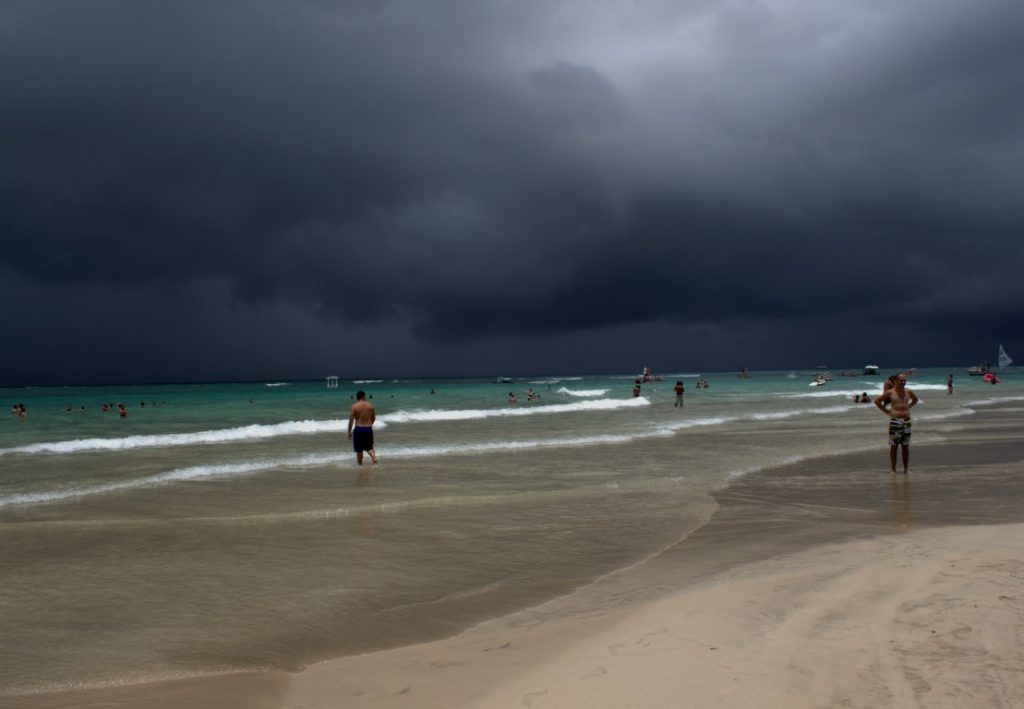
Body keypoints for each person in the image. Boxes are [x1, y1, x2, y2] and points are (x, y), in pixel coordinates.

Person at [874, 373, 918, 474]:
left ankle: (906, 469)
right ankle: (893, 469)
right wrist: (887, 411)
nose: (903, 382)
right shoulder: (890, 392)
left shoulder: (908, 392)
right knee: (894, 446)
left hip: (906, 421)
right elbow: (877, 401)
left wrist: (908, 407)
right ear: (896, 381)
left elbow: (915, 400)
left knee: (905, 446)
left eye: (904, 380)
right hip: (895, 421)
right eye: (901, 380)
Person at [347, 390, 377, 465]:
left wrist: (349, 431)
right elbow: (373, 418)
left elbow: (351, 420)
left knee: (359, 449)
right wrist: (370, 425)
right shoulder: (370, 405)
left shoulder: (354, 406)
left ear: (357, 397)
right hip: (368, 429)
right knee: (369, 447)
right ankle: (374, 457)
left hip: (359, 429)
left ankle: (360, 464)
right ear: (363, 396)